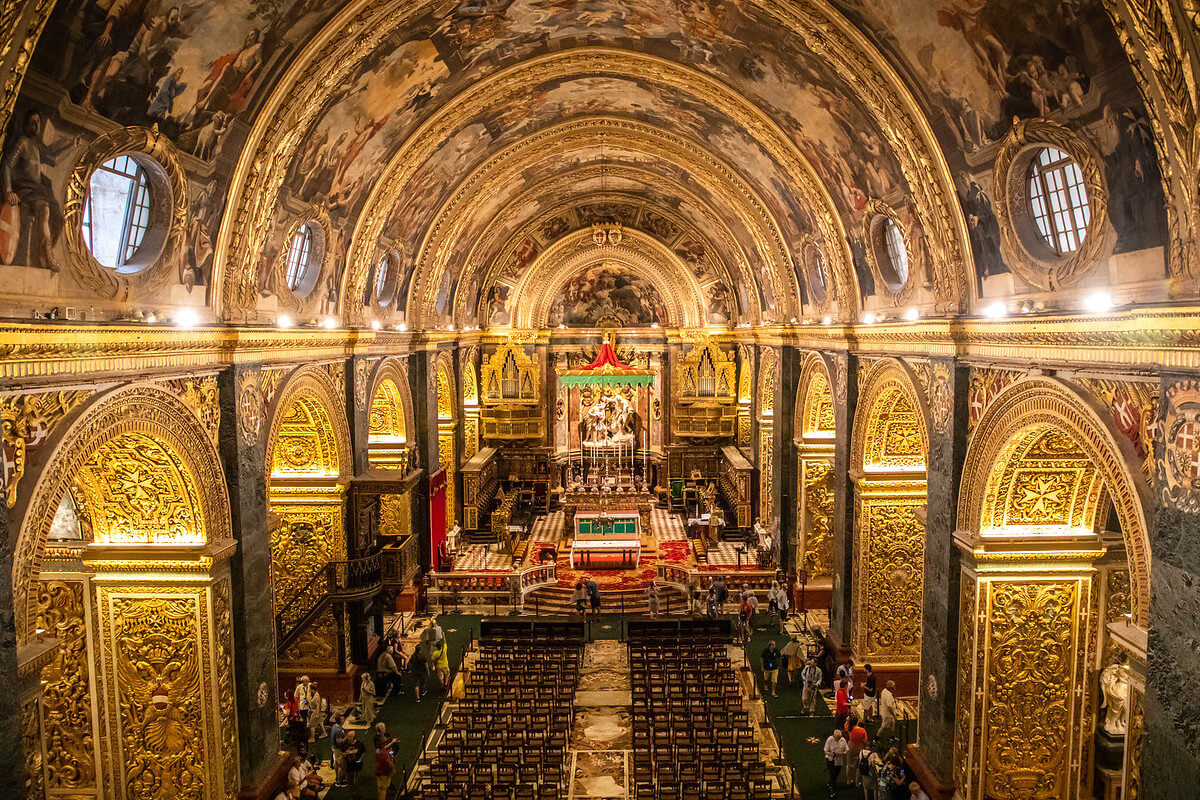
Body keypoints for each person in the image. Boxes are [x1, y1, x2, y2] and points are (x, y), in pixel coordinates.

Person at [375, 727, 397, 800]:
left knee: (380, 788)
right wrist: (392, 769)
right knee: (383, 789)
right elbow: (387, 763)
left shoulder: (378, 751)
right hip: (384, 773)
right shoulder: (383, 753)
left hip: (378, 772)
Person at [847, 717, 869, 786]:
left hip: (850, 746)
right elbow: (865, 741)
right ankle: (857, 782)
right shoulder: (862, 730)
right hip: (859, 747)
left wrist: (848, 720)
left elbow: (846, 723)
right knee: (858, 766)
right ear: (857, 722)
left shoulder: (849, 728)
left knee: (848, 764)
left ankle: (849, 780)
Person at [329, 714, 348, 787]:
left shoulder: (335, 726)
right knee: (341, 765)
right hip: (338, 750)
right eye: (342, 719)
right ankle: (340, 781)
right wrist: (347, 737)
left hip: (335, 749)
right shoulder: (338, 730)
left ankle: (337, 779)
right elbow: (339, 741)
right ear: (340, 720)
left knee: (336, 764)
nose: (344, 720)